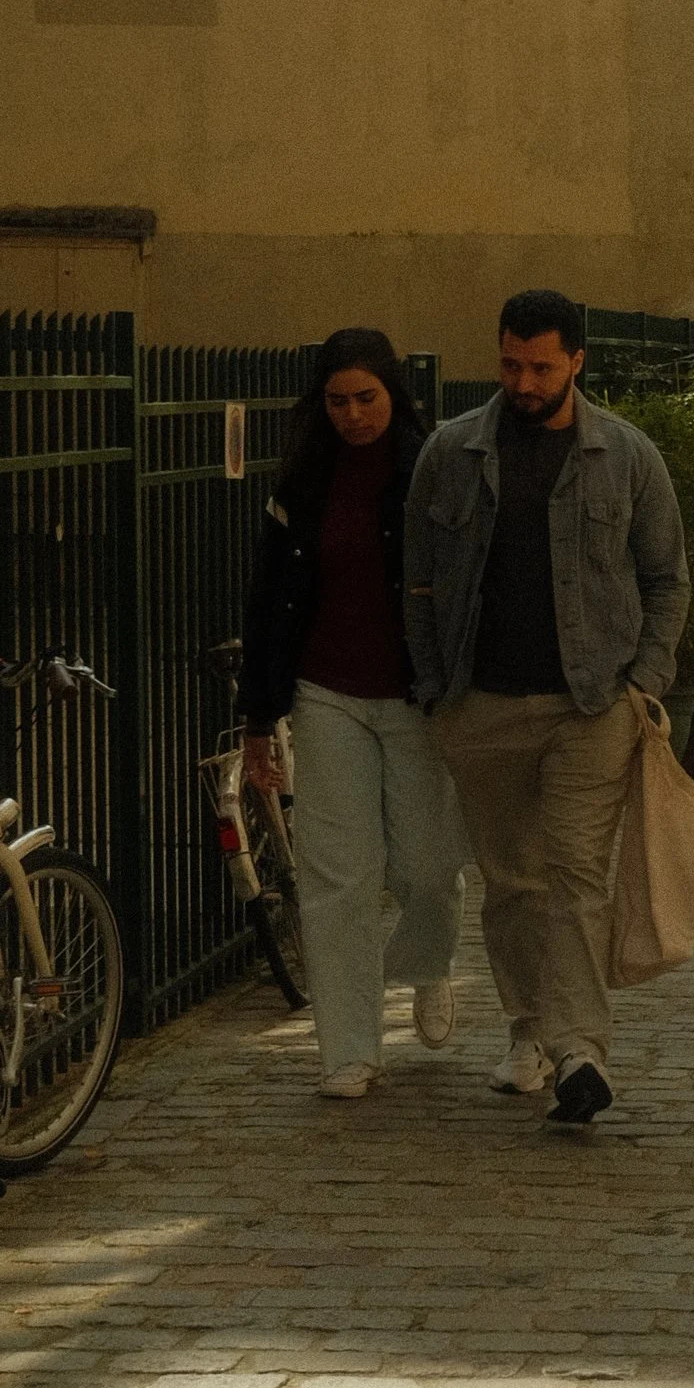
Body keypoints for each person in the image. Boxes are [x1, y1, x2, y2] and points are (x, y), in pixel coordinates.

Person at [405, 288, 690, 1127]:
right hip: (479, 702)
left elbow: (667, 576)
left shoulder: (627, 457)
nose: (523, 382)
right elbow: (419, 582)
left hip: (591, 703)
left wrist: (647, 681)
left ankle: (579, 1055)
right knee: (511, 882)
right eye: (509, 364)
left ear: (577, 362)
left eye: (540, 366)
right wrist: (430, 683)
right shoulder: (450, 453)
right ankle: (529, 1028)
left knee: (569, 878)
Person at [239, 329, 468, 1103]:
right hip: (325, 690)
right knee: (339, 877)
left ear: (393, 395)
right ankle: (349, 1049)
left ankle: (430, 966)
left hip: (414, 692)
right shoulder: (303, 480)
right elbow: (269, 599)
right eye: (337, 401)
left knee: (428, 868)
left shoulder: (431, 466)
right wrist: (257, 716)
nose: (352, 415)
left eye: (365, 398)